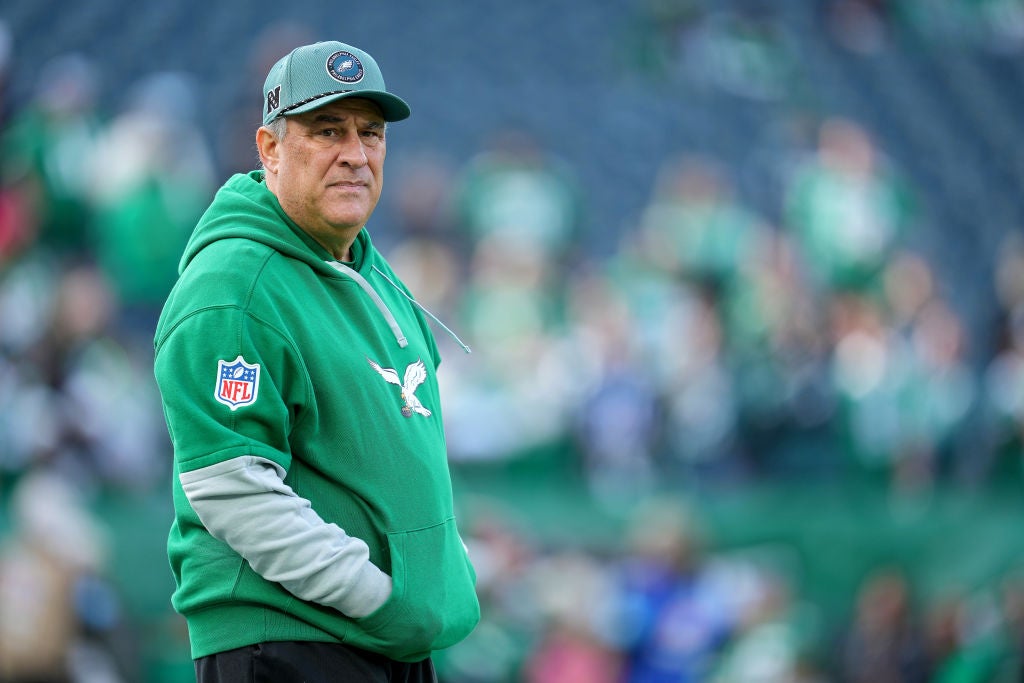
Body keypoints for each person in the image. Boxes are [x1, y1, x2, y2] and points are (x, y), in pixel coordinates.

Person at [152, 40, 480, 682]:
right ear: (270, 149)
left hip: (381, 642)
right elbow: (233, 491)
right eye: (327, 130)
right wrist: (382, 597)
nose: (355, 154)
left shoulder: (363, 264)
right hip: (290, 642)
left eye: (371, 133)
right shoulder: (233, 285)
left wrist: (440, 571)